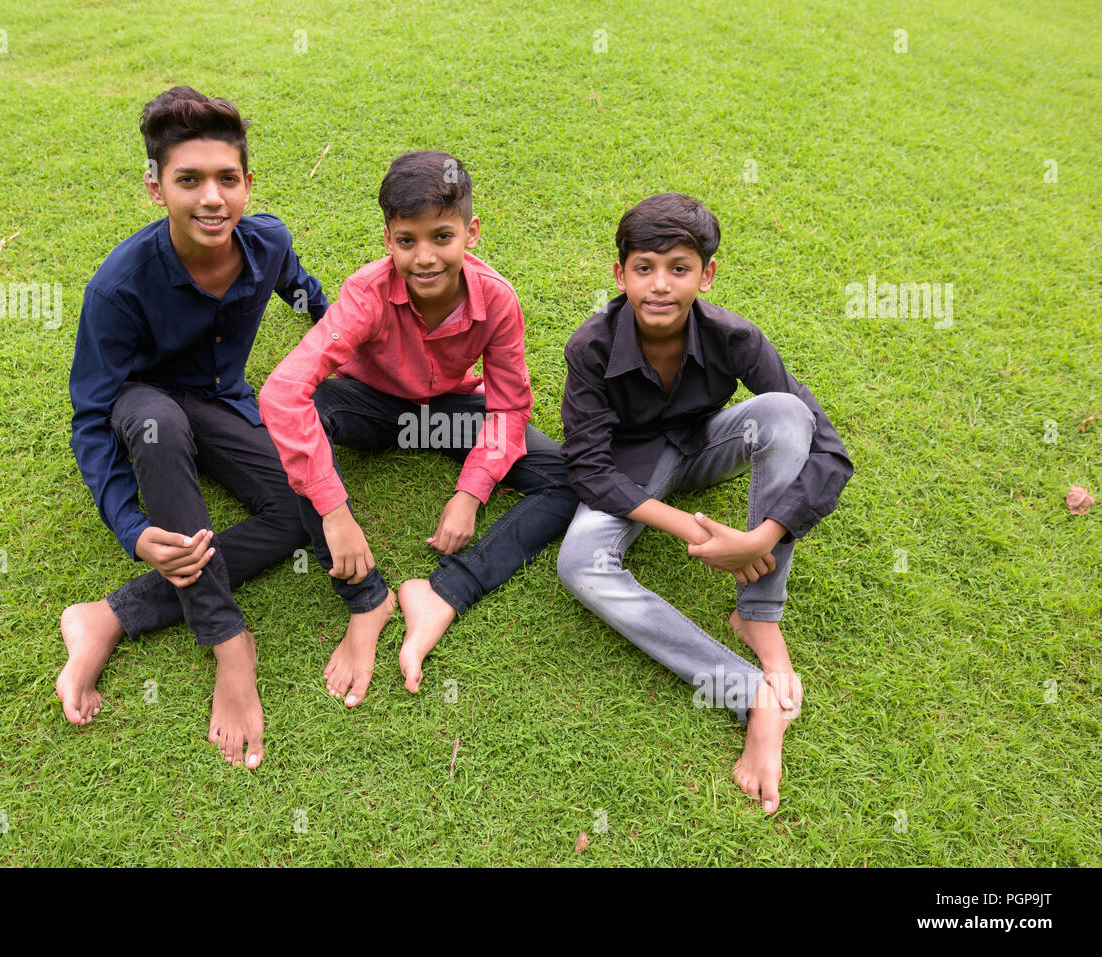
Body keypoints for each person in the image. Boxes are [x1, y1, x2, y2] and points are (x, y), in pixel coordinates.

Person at [58, 86, 329, 770]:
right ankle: (228, 642)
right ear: (156, 189)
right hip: (143, 410)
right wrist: (131, 526)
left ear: (247, 184)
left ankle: (110, 616)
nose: (211, 197)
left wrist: (368, 350)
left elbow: (306, 296)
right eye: (189, 180)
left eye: (226, 179)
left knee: (300, 509)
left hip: (219, 403)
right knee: (155, 421)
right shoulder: (118, 287)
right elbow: (92, 418)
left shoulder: (267, 243)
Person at [556, 192, 853, 813]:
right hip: (633, 474)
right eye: (644, 268)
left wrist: (760, 537)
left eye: (679, 268)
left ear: (707, 274)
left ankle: (758, 615)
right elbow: (587, 466)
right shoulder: (590, 348)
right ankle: (751, 695)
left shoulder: (736, 338)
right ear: (620, 274)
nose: (660, 286)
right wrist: (690, 532)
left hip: (703, 447)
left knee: (785, 413)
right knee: (579, 563)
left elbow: (830, 451)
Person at [259, 151, 578, 708]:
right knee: (299, 432)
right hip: (365, 403)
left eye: (442, 237)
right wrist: (335, 512)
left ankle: (444, 591)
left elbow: (507, 407)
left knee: (570, 479)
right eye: (407, 240)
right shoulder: (367, 291)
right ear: (388, 239)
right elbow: (284, 393)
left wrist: (470, 493)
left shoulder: (497, 298)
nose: (424, 257)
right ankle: (366, 600)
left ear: (471, 233)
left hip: (446, 410)